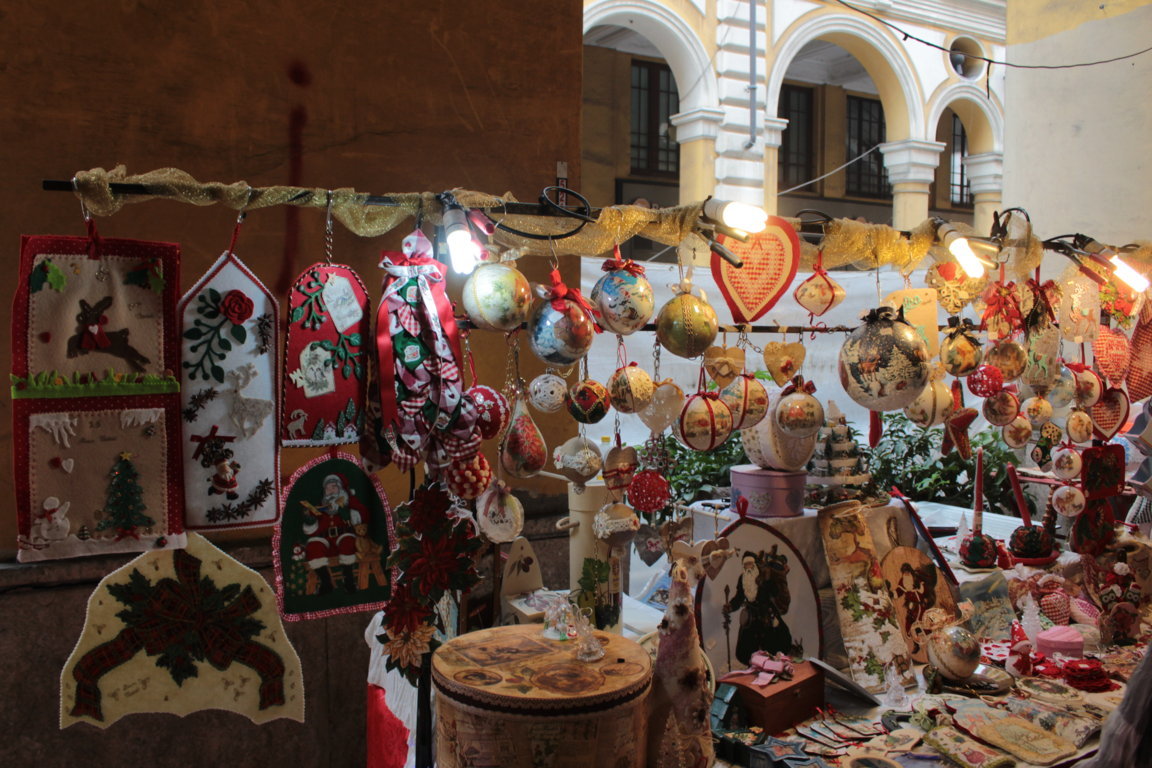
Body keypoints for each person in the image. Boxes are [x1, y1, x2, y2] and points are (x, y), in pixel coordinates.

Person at [723, 549, 793, 665]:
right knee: (747, 651)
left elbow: (775, 591)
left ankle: (772, 666)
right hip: (751, 616)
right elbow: (739, 597)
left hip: (766, 614)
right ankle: (755, 667)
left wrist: (770, 580)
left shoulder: (764, 575)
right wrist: (731, 606)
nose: (748, 567)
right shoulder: (742, 578)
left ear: (755, 564)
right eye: (745, 564)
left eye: (750, 563)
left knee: (775, 644)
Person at [302, 473, 365, 594]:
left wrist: (346, 513)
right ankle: (326, 582)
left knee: (348, 541)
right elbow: (310, 529)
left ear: (340, 489)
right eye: (327, 488)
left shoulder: (347, 509)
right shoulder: (320, 511)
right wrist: (309, 519)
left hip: (343, 538)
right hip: (325, 542)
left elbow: (358, 523)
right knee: (313, 546)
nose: (330, 491)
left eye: (333, 487)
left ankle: (349, 581)